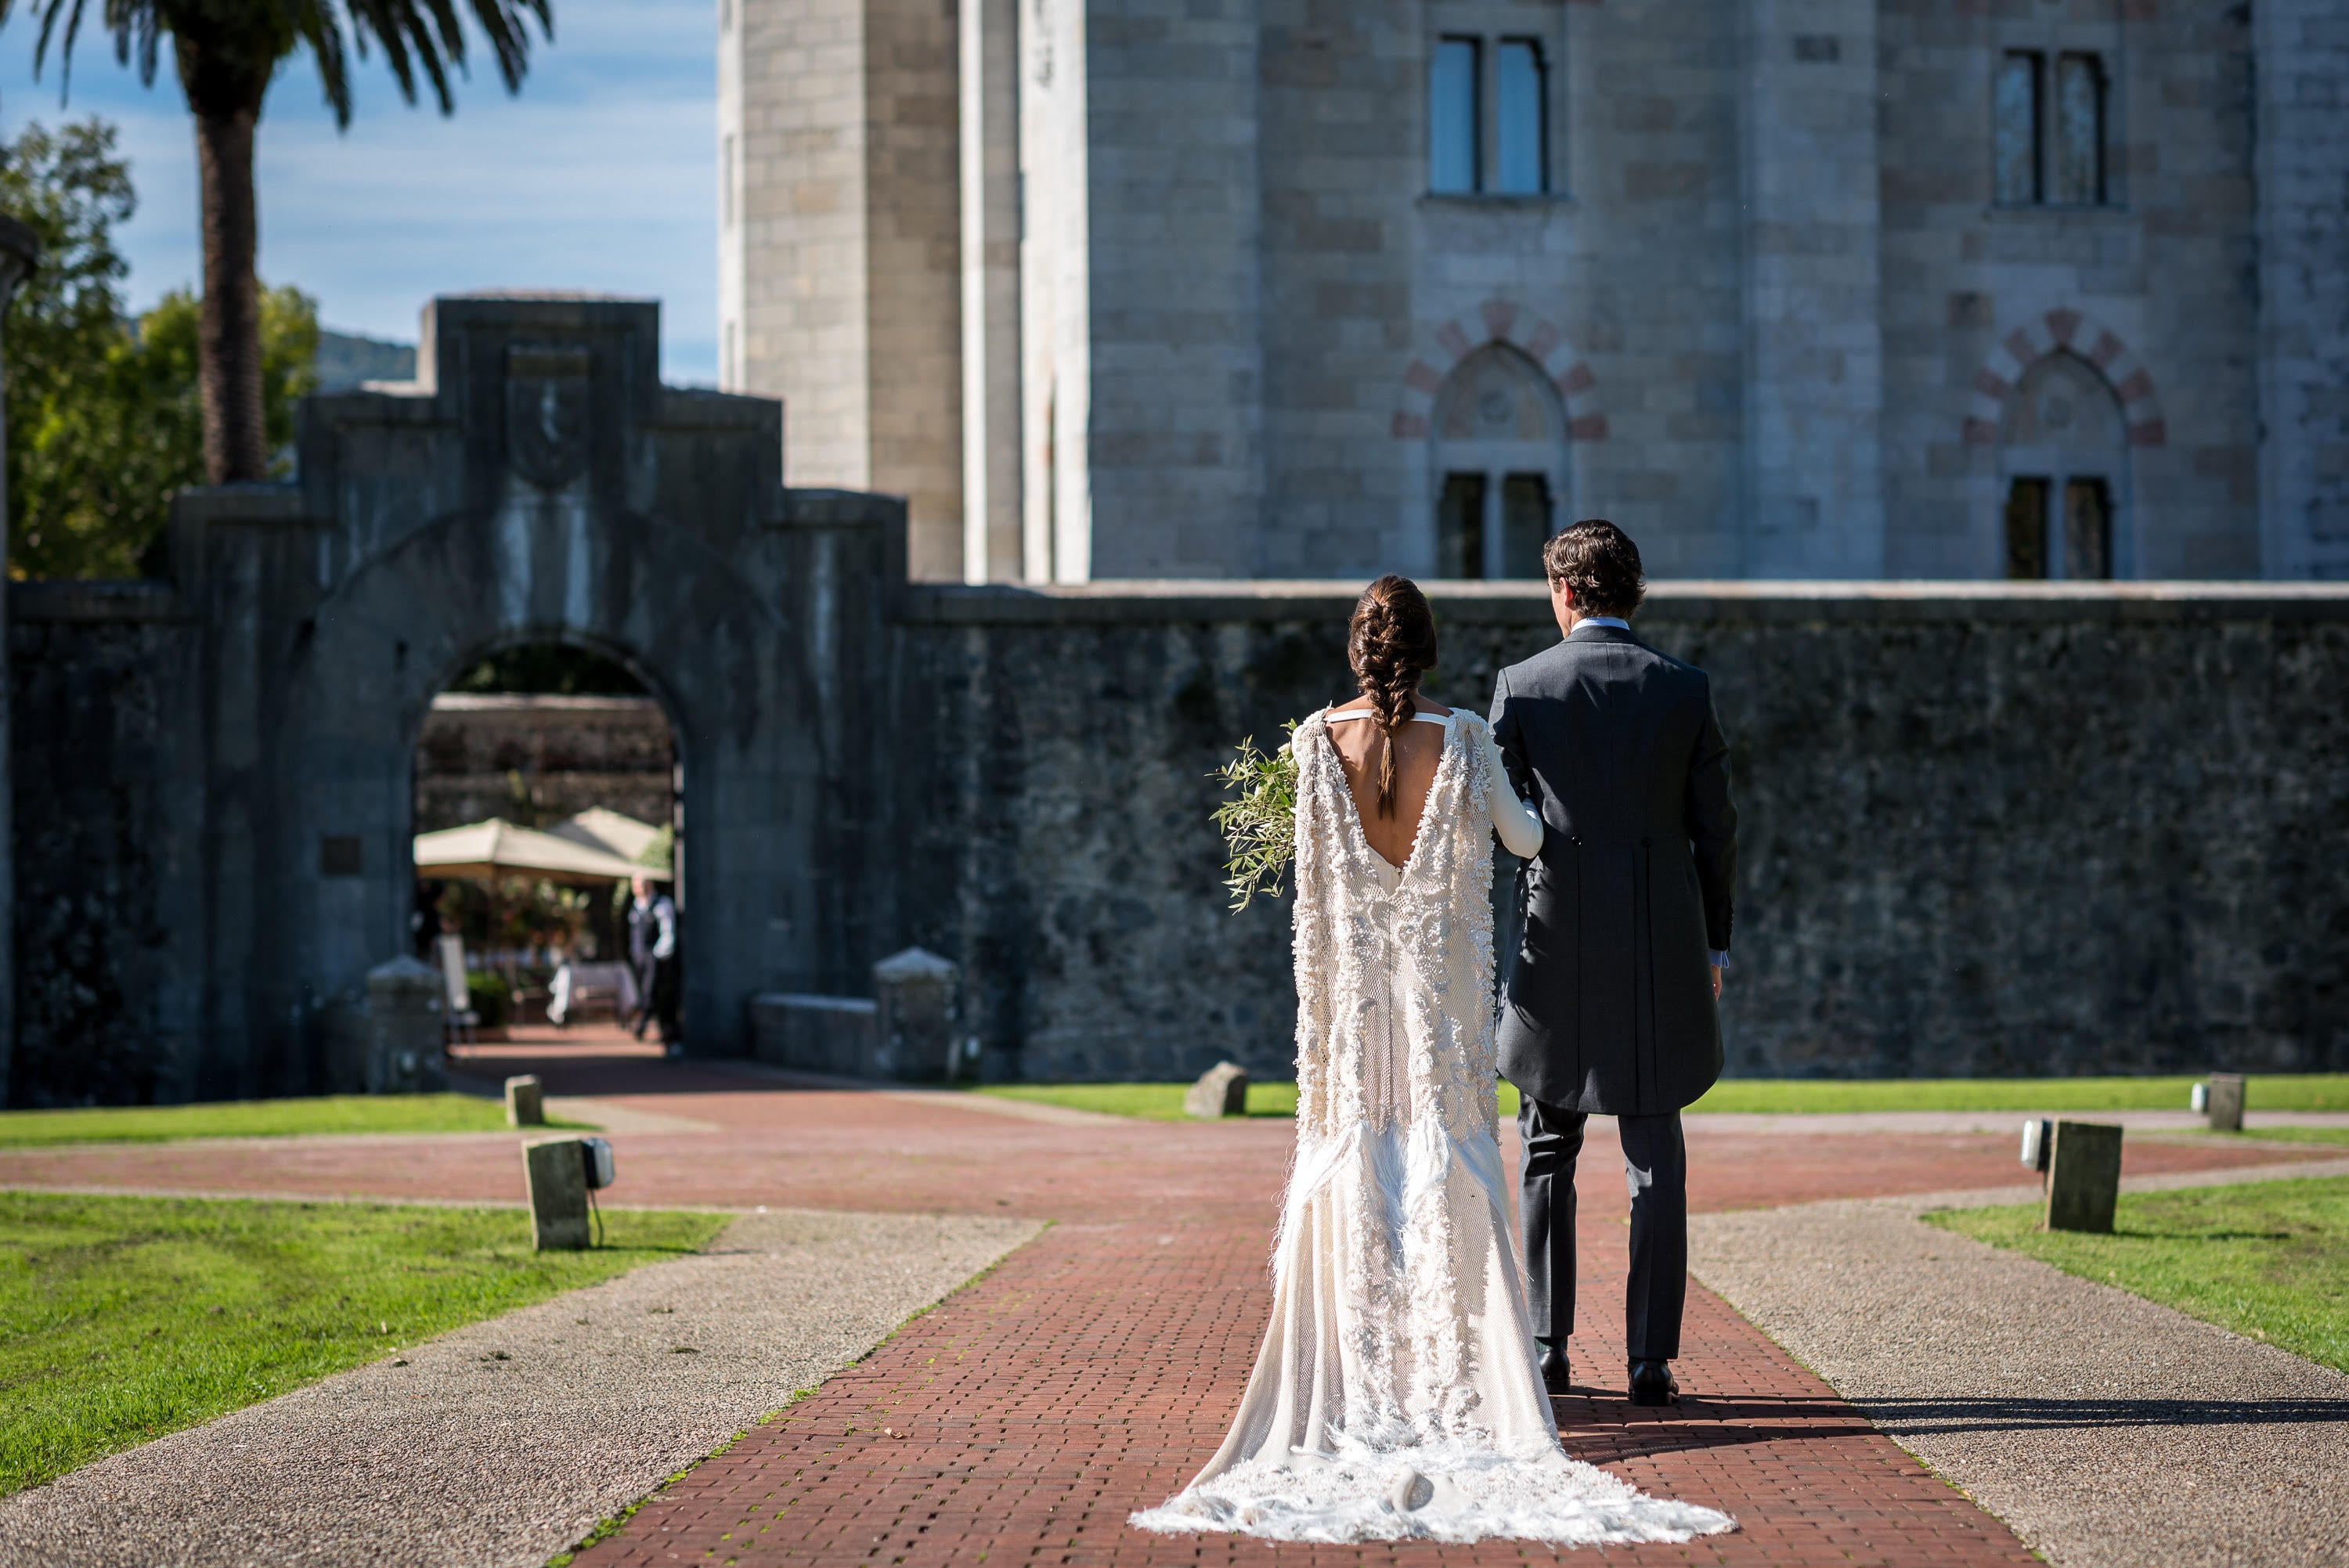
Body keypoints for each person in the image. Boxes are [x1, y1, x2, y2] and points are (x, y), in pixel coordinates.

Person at [1133, 576, 1733, 1546]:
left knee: (1360, 1155)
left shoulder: (1311, 744)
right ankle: (1479, 1367)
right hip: (1441, 1004)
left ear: (1356, 648)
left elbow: (1314, 868)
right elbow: (1527, 837)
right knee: (1448, 1164)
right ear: (1430, 648)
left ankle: (1367, 1371)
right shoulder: (1460, 738)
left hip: (1351, 1008)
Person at [1489, 520, 1737, 1409]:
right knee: (1654, 1156)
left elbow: (1500, 828)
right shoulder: (1684, 688)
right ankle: (1650, 1360)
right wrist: (1714, 943)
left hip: (1554, 942)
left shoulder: (1523, 686)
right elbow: (1717, 830)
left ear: (1564, 592)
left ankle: (1549, 1347)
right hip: (1660, 941)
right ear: (1632, 592)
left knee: (1546, 1148)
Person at [626, 873, 681, 1056]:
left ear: (648, 885)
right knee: (644, 991)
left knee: (654, 993)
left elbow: (668, 931)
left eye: (640, 884)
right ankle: (649, 1027)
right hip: (639, 956)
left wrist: (659, 954)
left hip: (655, 956)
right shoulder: (635, 906)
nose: (636, 888)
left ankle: (648, 1028)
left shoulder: (661, 904)